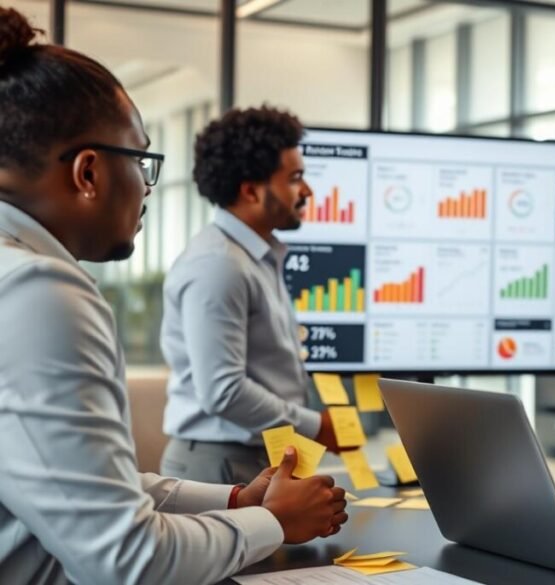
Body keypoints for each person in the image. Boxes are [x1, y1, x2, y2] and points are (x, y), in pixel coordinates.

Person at [0, 10, 346, 584]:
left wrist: (237, 501)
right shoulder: (41, 291)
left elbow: (73, 483)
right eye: (141, 160)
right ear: (89, 173)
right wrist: (272, 522)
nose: (146, 187)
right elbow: (128, 558)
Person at [160, 107, 343, 484]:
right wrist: (316, 427)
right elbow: (223, 391)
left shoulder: (255, 257)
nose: (306, 191)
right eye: (295, 179)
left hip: (252, 456)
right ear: (250, 191)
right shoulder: (219, 266)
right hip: (219, 465)